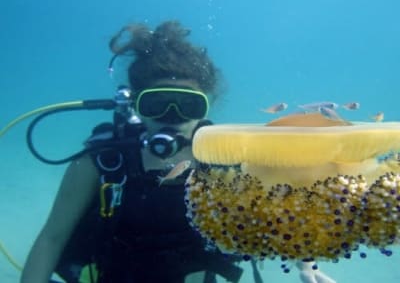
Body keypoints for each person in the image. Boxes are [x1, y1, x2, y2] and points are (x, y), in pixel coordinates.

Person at [21, 21, 336, 283]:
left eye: (188, 106)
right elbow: (52, 238)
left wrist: (307, 264)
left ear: (205, 108)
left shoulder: (226, 160)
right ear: (136, 106)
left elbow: (278, 216)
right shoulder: (103, 161)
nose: (172, 116)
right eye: (157, 104)